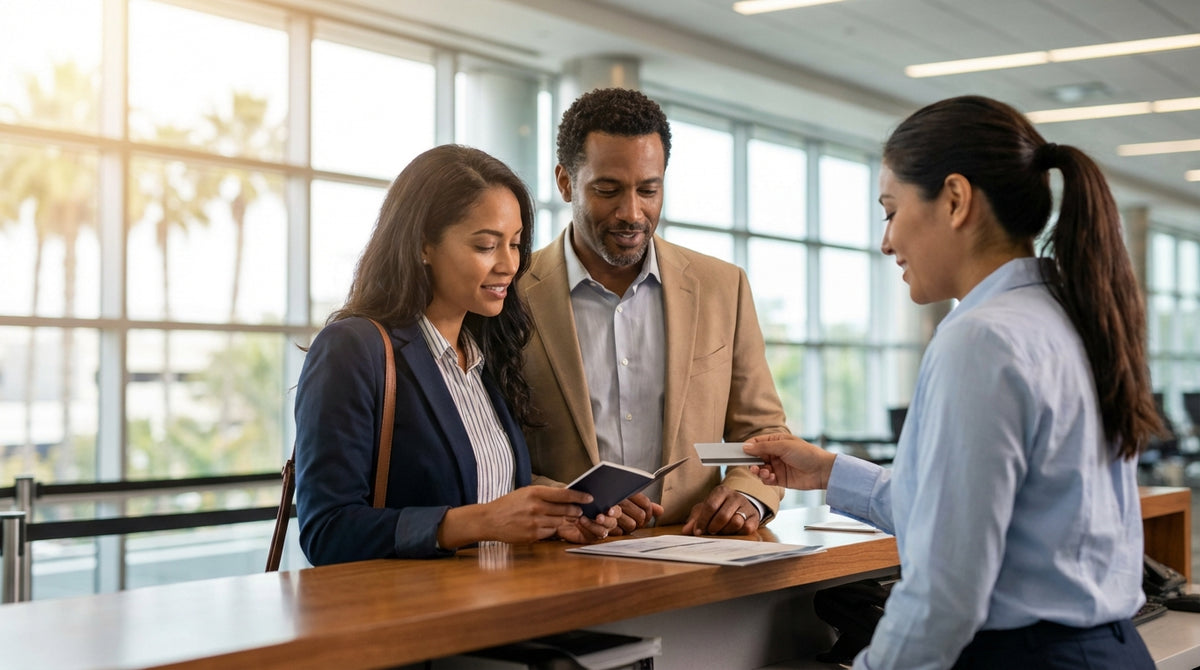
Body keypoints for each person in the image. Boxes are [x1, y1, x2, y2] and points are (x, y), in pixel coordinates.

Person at [744, 95, 1162, 669]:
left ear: (956, 200)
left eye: (891, 210)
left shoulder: (982, 339)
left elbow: (946, 589)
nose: (886, 241)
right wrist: (828, 472)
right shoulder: (1069, 316)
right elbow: (976, 512)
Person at [295, 145, 619, 566]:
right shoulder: (353, 349)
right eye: (486, 245)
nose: (509, 265)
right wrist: (477, 522)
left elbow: (489, 499)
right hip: (414, 620)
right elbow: (327, 532)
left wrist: (555, 518)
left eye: (516, 244)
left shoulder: (486, 357)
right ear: (422, 246)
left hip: (499, 610)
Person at [520, 87, 786, 537]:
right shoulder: (512, 294)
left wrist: (747, 494)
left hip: (693, 549)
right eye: (607, 190)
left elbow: (758, 431)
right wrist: (562, 504)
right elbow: (487, 451)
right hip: (559, 558)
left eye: (649, 190)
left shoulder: (723, 287)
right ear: (565, 182)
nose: (632, 213)